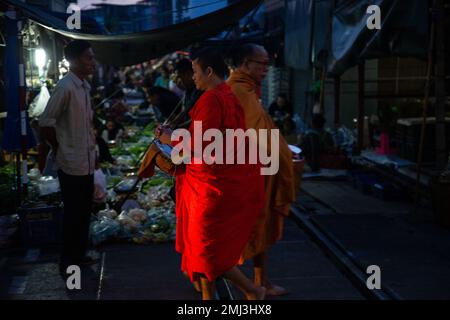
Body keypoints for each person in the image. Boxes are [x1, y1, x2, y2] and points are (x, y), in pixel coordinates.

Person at [156, 48, 266, 300]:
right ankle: (208, 298)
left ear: (208, 71)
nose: (193, 77)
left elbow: (198, 145)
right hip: (218, 179)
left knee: (207, 249)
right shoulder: (225, 94)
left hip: (211, 185)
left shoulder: (212, 99)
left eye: (195, 72)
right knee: (201, 244)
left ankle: (253, 290)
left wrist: (167, 138)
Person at [227, 43, 297, 296]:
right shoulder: (238, 91)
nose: (266, 69)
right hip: (250, 172)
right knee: (250, 226)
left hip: (259, 168)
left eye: (268, 63)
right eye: (261, 63)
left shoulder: (246, 89)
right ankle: (254, 286)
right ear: (245, 63)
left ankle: (261, 281)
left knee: (260, 224)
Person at [39, 40, 98, 275]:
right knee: (73, 213)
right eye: (88, 58)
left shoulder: (84, 87)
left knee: (83, 212)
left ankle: (79, 255)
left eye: (92, 57)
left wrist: (94, 153)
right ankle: (68, 262)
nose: (92, 62)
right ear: (74, 61)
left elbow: (87, 125)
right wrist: (60, 147)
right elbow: (45, 123)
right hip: (71, 162)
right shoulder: (65, 87)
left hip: (86, 161)